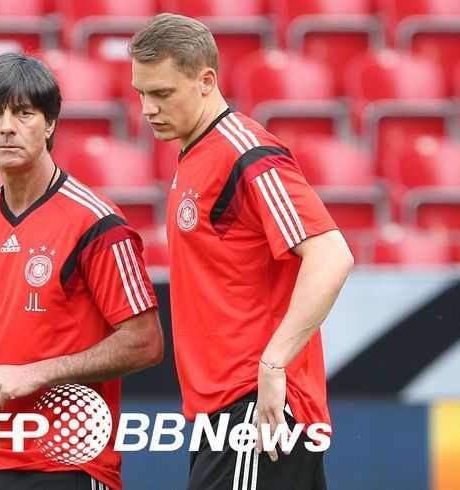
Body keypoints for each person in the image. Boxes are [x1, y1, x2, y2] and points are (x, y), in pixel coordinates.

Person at [130, 13, 354, 490]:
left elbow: (331, 254)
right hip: (224, 411)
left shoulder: (246, 153)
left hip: (255, 408)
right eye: (141, 93)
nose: (148, 108)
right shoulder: (196, 152)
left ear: (206, 81)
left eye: (162, 93)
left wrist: (273, 366)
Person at [0, 51, 163, 490]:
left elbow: (145, 342)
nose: (6, 127)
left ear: (50, 123)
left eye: (23, 113)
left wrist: (36, 372)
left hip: (67, 462)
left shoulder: (98, 224)